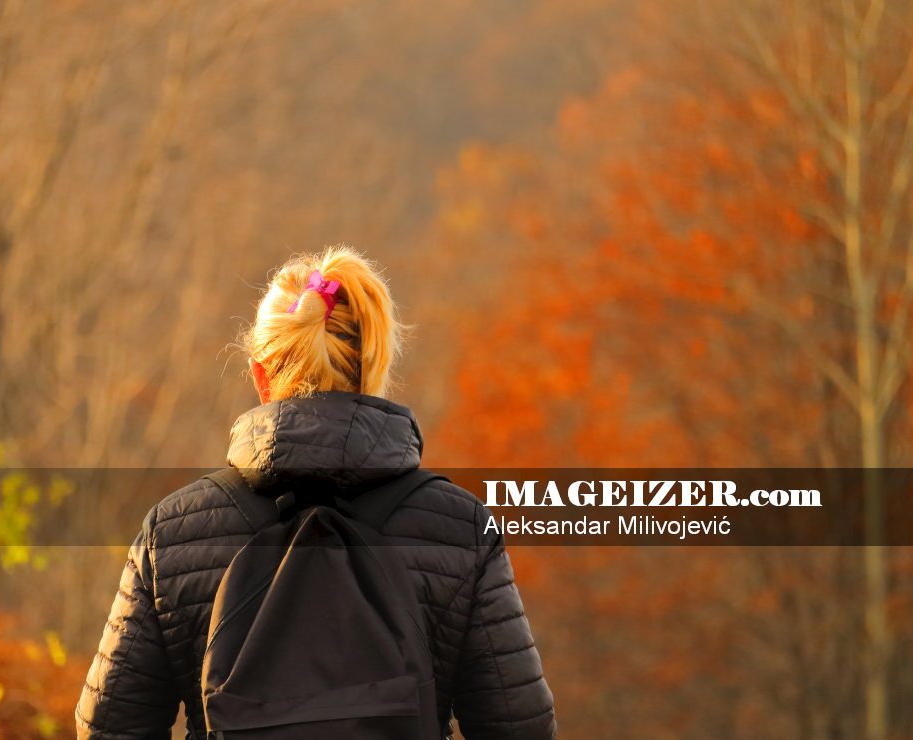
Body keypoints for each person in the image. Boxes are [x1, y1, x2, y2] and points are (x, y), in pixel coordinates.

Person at [76, 247, 556, 740]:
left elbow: (110, 729)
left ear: (260, 374)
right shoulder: (460, 526)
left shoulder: (174, 531)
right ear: (373, 369)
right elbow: (519, 725)